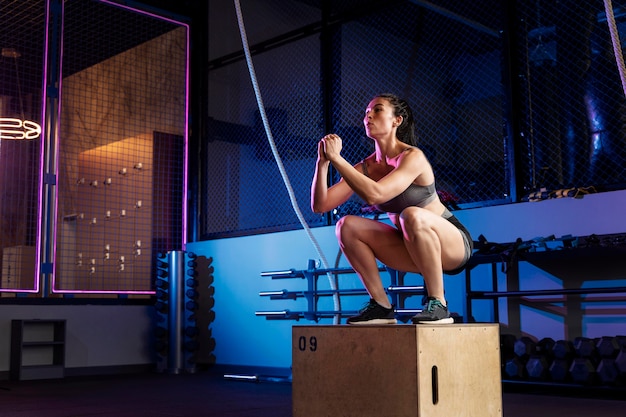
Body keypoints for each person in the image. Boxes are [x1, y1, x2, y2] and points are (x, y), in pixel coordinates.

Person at [310, 93, 473, 325]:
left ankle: (438, 304)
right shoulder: (366, 167)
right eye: (366, 112)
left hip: (451, 244)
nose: (368, 116)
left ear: (397, 120)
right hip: (410, 245)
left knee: (411, 215)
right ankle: (381, 306)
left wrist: (338, 159)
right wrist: (323, 162)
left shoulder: (412, 157)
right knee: (346, 226)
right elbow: (320, 205)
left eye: (377, 110)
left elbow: (376, 194)